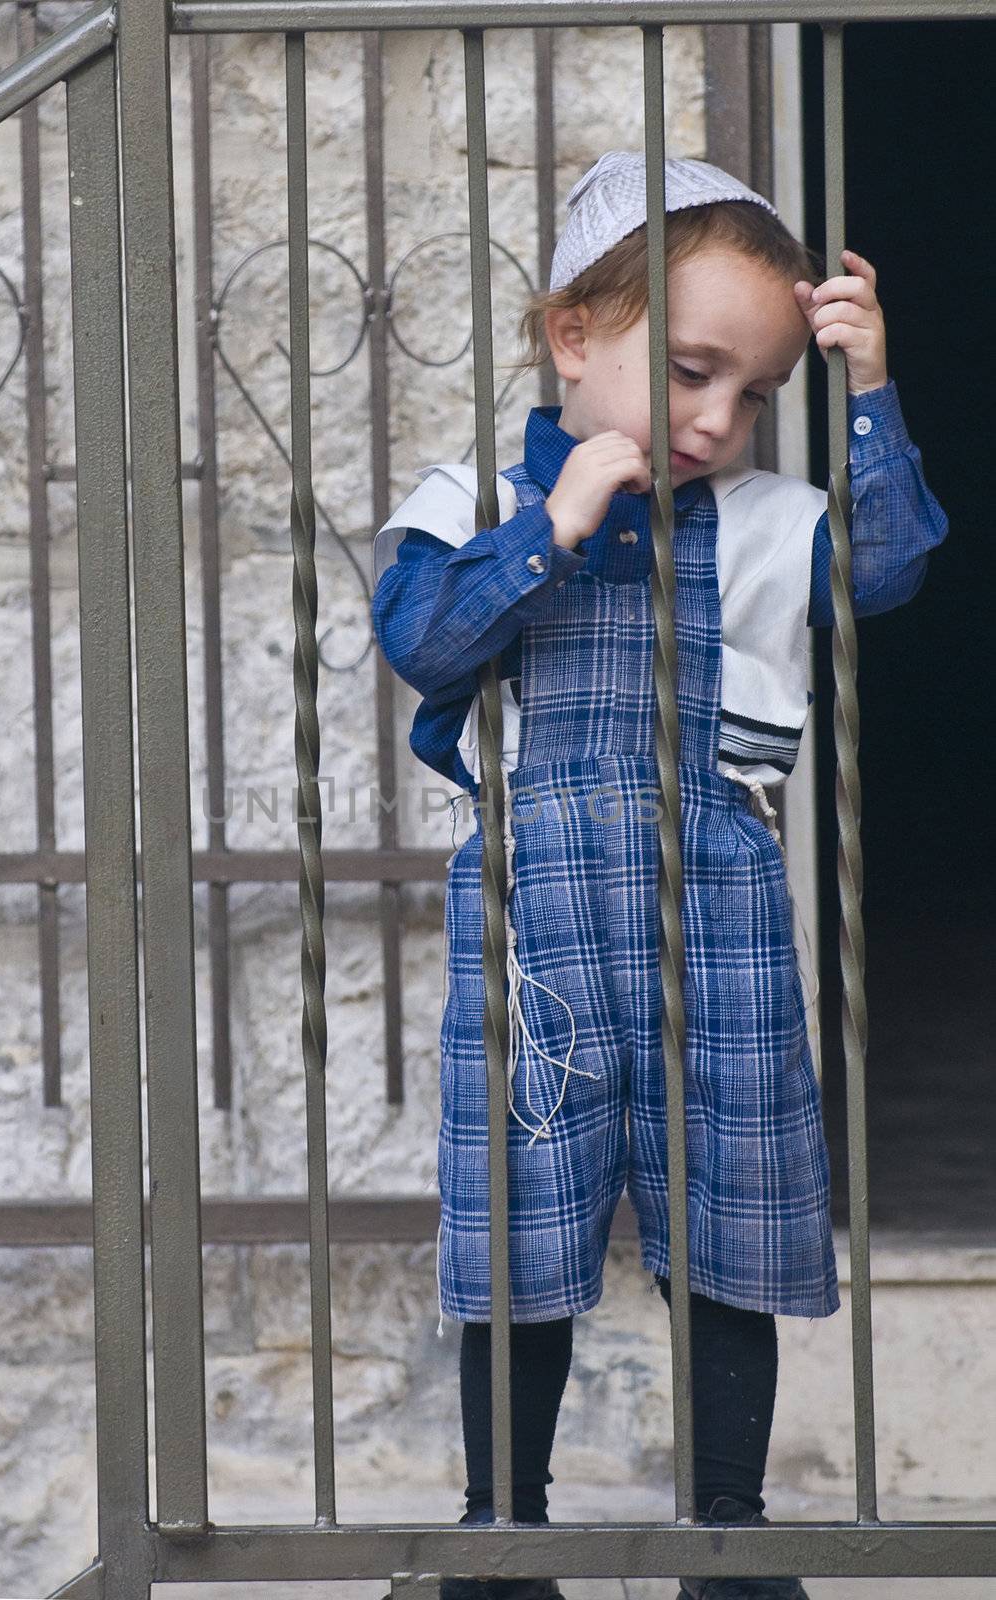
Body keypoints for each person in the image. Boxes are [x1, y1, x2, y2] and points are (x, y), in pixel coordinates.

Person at [371, 151, 949, 1600]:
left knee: (726, 1224)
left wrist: (867, 393)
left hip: (719, 910)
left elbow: (882, 569)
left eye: (752, 392)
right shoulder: (466, 504)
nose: (716, 419)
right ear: (574, 333)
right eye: (691, 371)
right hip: (533, 919)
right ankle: (499, 1543)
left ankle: (725, 1536)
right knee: (522, 1223)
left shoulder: (760, 521)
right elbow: (427, 645)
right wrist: (548, 533)